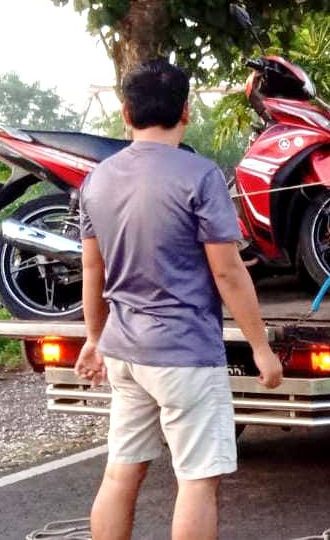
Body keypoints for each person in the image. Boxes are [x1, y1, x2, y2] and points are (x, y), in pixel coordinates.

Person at [73, 60, 283, 540]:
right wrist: (261, 348)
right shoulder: (201, 175)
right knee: (196, 482)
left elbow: (92, 269)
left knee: (120, 472)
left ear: (125, 112)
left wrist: (93, 338)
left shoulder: (96, 181)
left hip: (125, 353)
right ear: (185, 111)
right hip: (185, 354)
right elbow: (227, 271)